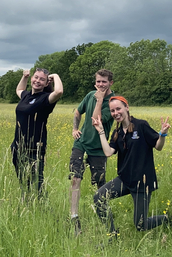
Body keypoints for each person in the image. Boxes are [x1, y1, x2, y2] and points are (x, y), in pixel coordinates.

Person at [92, 96, 172, 234]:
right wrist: (101, 131)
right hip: (125, 179)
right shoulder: (117, 132)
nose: (115, 113)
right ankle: (112, 234)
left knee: (140, 225)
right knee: (99, 198)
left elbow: (158, 146)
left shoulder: (141, 125)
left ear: (127, 107)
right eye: (112, 110)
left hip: (142, 182)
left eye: (118, 108)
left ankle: (166, 219)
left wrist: (162, 134)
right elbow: (108, 152)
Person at [69, 69, 115, 235]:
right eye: (98, 82)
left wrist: (99, 101)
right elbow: (77, 111)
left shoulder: (113, 102)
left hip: (99, 148)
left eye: (104, 81)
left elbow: (96, 121)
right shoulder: (90, 95)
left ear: (111, 83)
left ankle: (103, 215)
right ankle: (74, 217)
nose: (100, 85)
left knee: (99, 184)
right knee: (75, 178)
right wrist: (75, 129)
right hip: (81, 143)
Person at [11, 68, 63, 195]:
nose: (38, 81)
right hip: (18, 147)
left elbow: (59, 91)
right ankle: (26, 205)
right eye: (36, 77)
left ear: (46, 83)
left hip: (35, 149)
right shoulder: (26, 96)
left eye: (42, 79)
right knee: (23, 182)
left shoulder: (46, 99)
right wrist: (25, 77)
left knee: (37, 185)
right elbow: (19, 90)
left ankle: (42, 208)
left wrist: (55, 75)